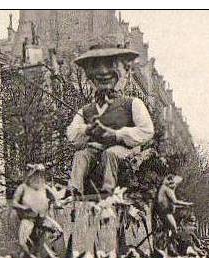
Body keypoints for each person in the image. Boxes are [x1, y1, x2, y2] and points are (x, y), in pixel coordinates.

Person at [65, 45, 154, 196]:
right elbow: (72, 135)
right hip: (96, 149)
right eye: (96, 66)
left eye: (110, 64)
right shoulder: (86, 110)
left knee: (111, 153)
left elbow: (147, 131)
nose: (103, 71)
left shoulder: (132, 103)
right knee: (81, 156)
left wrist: (116, 134)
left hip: (125, 150)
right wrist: (87, 130)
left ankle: (108, 189)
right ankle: (74, 189)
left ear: (124, 70)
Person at [11, 164, 63, 256]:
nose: (38, 177)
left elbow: (55, 199)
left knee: (58, 231)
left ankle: (45, 250)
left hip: (42, 218)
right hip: (28, 219)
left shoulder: (45, 187)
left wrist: (55, 204)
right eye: (36, 174)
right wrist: (24, 208)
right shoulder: (23, 187)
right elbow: (14, 203)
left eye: (40, 175)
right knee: (23, 242)